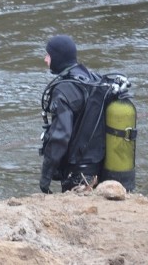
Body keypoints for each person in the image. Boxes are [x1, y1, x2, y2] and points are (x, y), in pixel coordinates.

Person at [38, 35, 105, 194]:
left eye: (48, 55)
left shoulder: (63, 89)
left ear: (57, 58)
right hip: (101, 166)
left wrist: (46, 176)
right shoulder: (92, 78)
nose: (45, 60)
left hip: (78, 173)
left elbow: (60, 136)